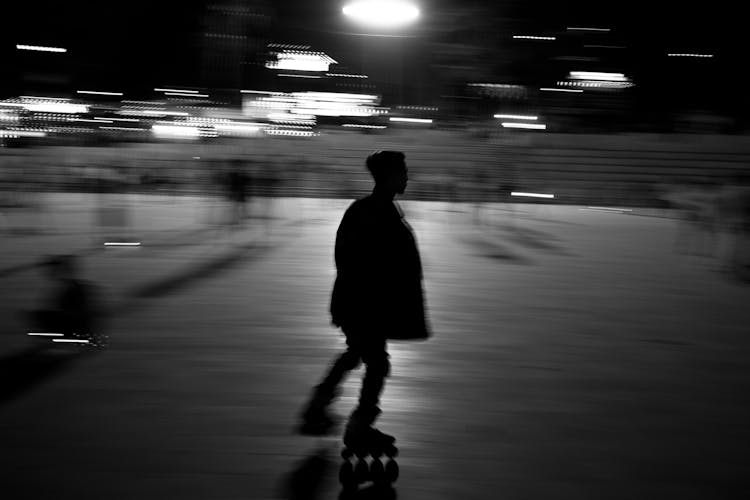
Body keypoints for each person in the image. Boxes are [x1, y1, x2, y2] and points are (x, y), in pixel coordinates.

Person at [299, 151, 430, 448]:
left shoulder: (375, 208)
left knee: (359, 354)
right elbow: (353, 260)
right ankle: (359, 424)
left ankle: (320, 406)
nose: (407, 176)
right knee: (376, 362)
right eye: (403, 171)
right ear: (388, 176)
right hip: (364, 305)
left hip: (363, 303)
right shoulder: (374, 211)